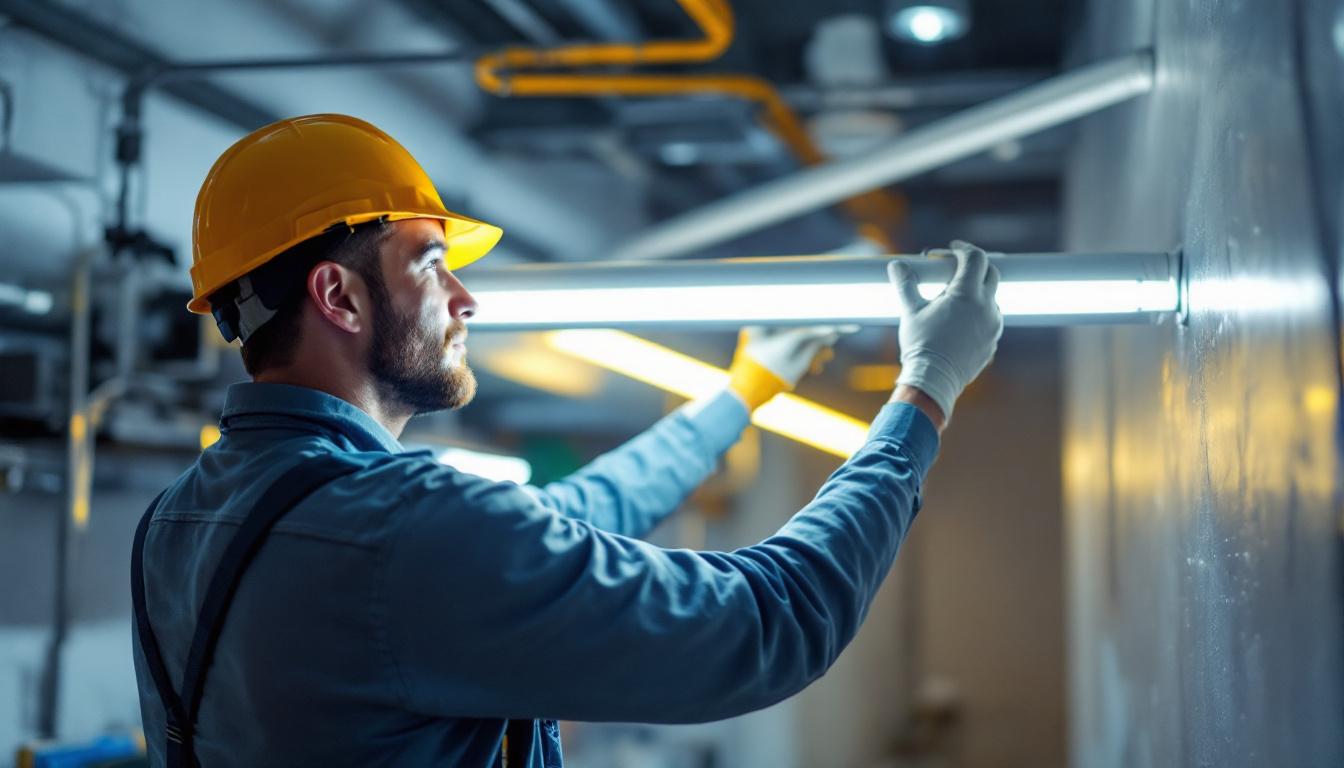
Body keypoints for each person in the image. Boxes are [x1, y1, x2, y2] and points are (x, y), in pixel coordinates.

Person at [131, 113, 1003, 767]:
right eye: (431, 264)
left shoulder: (176, 525)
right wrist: (926, 391)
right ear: (339, 296)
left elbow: (557, 520)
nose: (465, 300)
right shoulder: (404, 529)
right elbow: (767, 623)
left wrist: (739, 396)